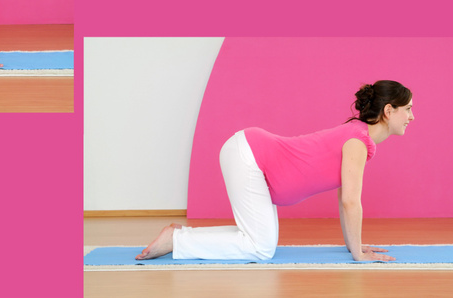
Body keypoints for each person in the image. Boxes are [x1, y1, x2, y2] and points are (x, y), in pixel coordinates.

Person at [136, 80, 414, 262]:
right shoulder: (357, 140)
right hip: (250, 156)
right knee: (261, 248)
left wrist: (356, 248)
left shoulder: (357, 136)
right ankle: (176, 240)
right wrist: (359, 254)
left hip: (252, 156)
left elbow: (345, 200)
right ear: (389, 111)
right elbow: (350, 201)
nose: (412, 117)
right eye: (408, 109)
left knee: (260, 239)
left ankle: (179, 235)